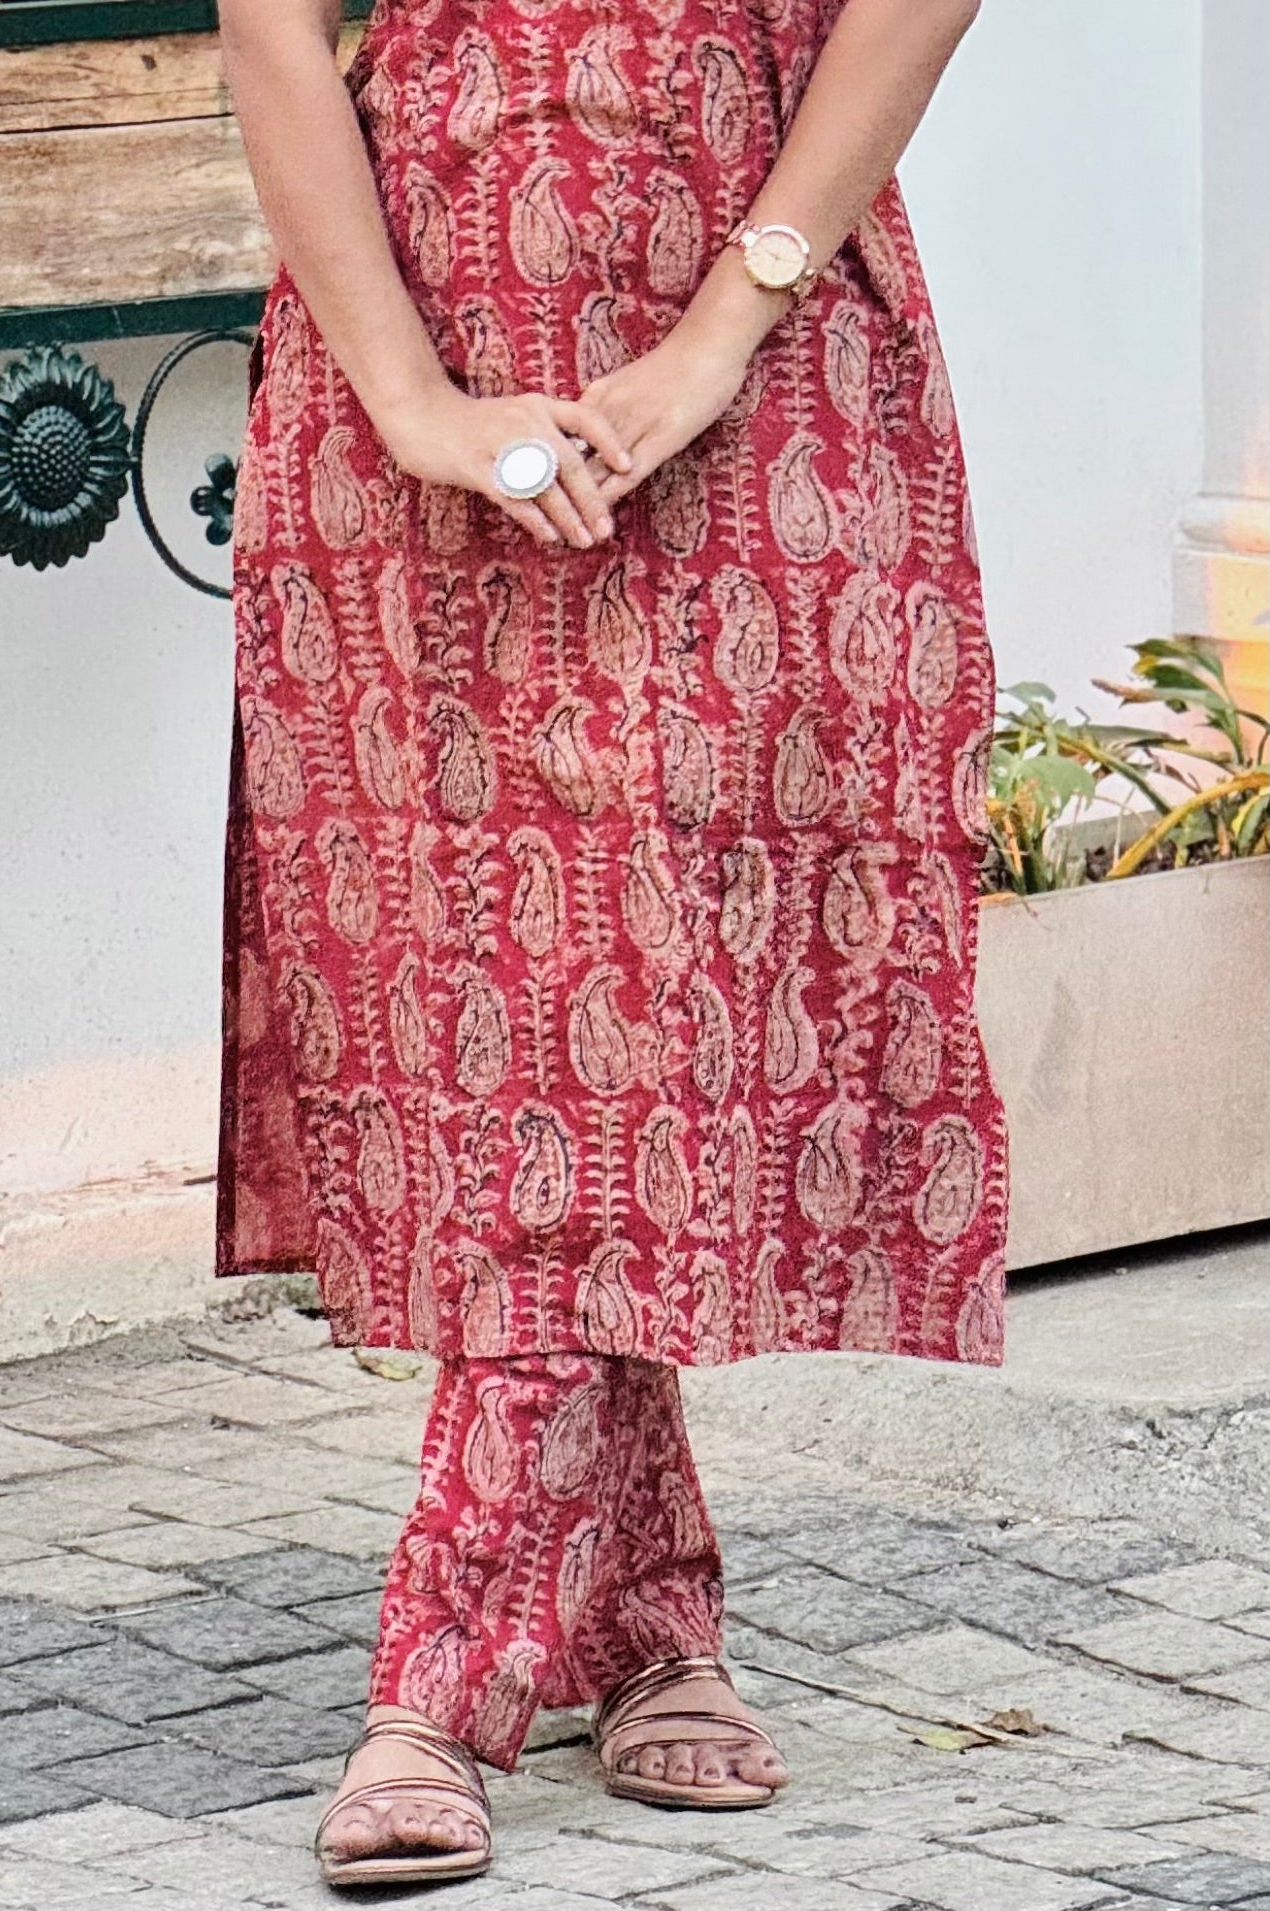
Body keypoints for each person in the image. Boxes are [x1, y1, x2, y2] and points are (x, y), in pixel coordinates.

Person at [214, 0, 1009, 1887]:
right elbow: (270, 25)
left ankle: (439, 1684)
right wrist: (408, 400)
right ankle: (649, 1619)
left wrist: (720, 330)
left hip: (756, 376)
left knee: (636, 1018)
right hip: (420, 352)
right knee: (524, 1017)